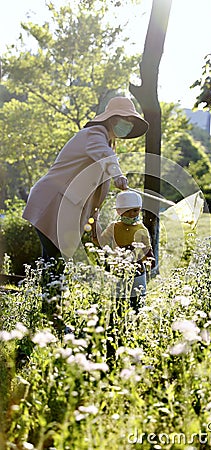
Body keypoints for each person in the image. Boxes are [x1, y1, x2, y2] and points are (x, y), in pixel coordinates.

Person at [22, 96, 149, 329]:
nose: (127, 125)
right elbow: (104, 156)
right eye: (125, 119)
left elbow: (95, 193)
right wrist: (117, 174)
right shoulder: (95, 135)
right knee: (55, 261)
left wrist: (93, 224)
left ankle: (47, 317)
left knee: (54, 261)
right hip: (52, 201)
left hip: (62, 207)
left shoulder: (107, 144)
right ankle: (53, 320)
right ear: (111, 119)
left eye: (131, 121)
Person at [91, 190, 155, 311]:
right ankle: (119, 320)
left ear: (140, 210)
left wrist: (150, 260)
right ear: (119, 211)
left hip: (138, 269)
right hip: (118, 269)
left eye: (135, 210)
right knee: (119, 299)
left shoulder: (142, 229)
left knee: (138, 298)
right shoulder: (114, 227)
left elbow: (147, 249)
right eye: (128, 211)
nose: (132, 214)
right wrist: (95, 223)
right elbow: (101, 241)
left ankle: (137, 319)